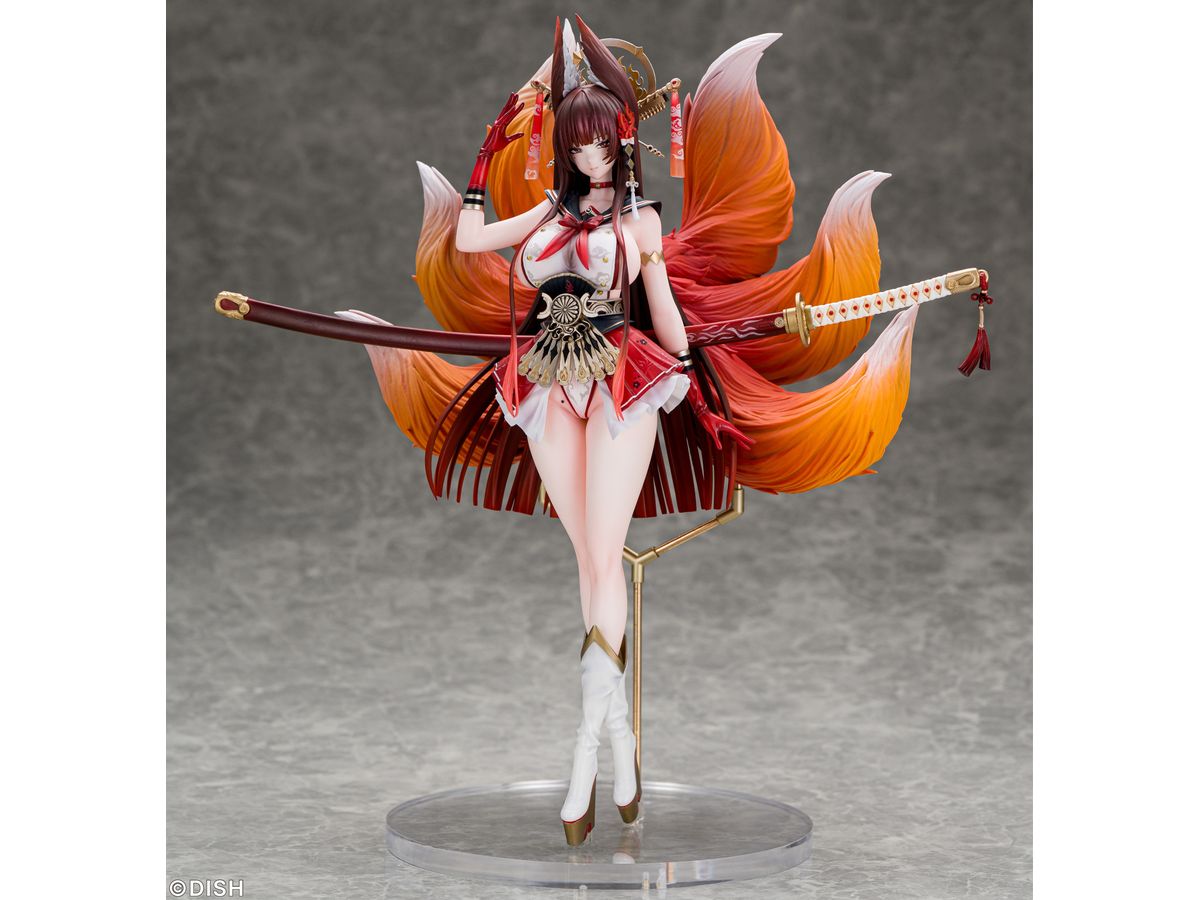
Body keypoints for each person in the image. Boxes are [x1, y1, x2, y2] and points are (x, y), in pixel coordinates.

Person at [347, 15, 925, 844]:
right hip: (545, 384)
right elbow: (471, 237)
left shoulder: (641, 223)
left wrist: (697, 364)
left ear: (622, 141)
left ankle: (585, 754)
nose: (590, 157)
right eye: (576, 145)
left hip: (622, 382)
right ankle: (617, 743)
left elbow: (668, 321)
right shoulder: (546, 214)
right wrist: (489, 144)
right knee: (589, 558)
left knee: (603, 549)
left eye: (601, 143)